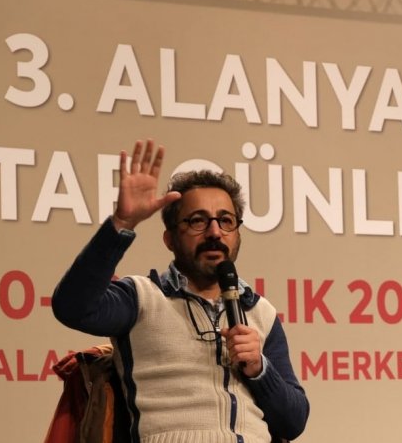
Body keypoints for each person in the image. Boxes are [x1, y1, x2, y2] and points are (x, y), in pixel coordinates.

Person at [52, 139, 310, 443]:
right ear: (170, 239)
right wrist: (122, 224)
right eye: (198, 221)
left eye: (225, 221)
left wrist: (259, 369)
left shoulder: (260, 312)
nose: (214, 232)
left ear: (237, 234)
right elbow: (72, 307)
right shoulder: (142, 298)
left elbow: (293, 422)